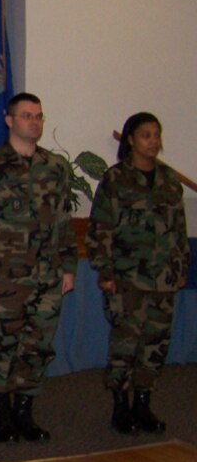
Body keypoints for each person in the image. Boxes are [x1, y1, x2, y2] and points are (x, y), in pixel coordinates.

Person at [0, 92, 76, 444]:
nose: (34, 122)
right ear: (9, 120)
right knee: (2, 344)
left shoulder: (54, 167)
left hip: (47, 274)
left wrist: (68, 266)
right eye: (26, 116)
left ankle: (26, 412)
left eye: (38, 116)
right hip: (3, 276)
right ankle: (2, 414)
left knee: (37, 346)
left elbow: (64, 221)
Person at [86, 112, 189, 435]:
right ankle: (121, 406)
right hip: (127, 277)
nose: (153, 141)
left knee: (155, 343)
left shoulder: (169, 179)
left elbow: (179, 229)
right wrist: (105, 271)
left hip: (163, 278)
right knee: (125, 344)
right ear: (130, 139)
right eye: (146, 135)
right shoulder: (117, 179)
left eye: (157, 135)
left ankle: (143, 403)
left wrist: (181, 267)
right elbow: (101, 228)